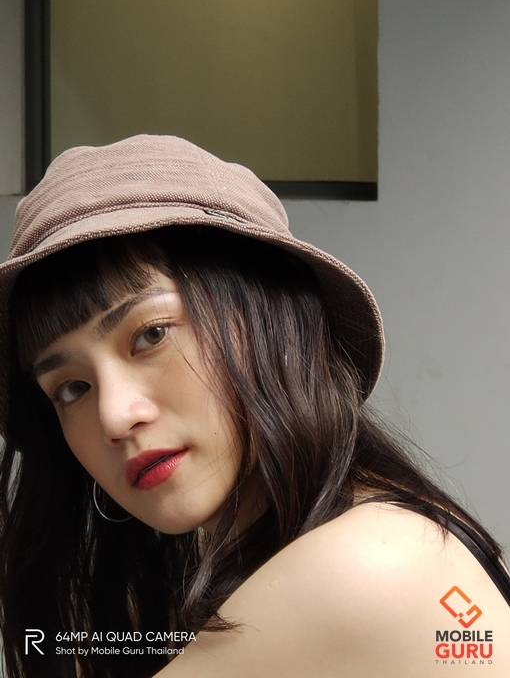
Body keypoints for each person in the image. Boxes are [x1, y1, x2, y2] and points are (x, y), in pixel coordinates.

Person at [0, 135, 508, 678]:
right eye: (72, 388)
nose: (115, 417)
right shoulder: (199, 587)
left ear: (272, 318)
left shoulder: (369, 564)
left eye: (151, 335)